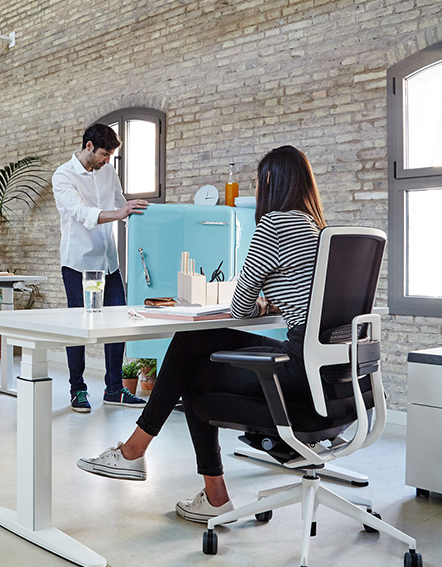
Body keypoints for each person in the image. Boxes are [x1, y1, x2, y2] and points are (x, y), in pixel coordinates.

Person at [77, 145, 326, 523]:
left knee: (191, 358)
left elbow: (240, 307)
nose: (256, 191)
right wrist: (272, 302)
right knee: (194, 345)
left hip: (297, 372)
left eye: (258, 182)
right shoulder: (317, 229)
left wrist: (260, 305)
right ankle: (174, 473)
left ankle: (143, 456)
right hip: (330, 372)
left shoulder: (274, 224)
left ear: (272, 182)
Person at [52, 123, 149, 412]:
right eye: (105, 154)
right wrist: (119, 213)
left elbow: (121, 205)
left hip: (109, 262)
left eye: (110, 156)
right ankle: (77, 390)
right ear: (89, 146)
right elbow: (81, 213)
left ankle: (114, 389)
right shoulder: (63, 175)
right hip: (78, 263)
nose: (107, 160)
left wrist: (144, 219)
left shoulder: (108, 171)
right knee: (78, 328)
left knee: (116, 324)